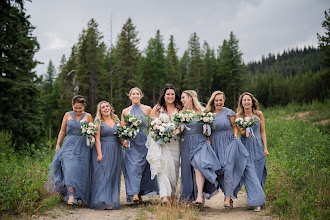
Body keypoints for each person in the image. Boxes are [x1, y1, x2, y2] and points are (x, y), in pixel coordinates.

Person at [46, 95, 92, 206]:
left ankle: (83, 197)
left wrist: (91, 140)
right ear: (72, 106)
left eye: (80, 108)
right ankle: (71, 195)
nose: (77, 110)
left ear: (83, 107)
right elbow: (62, 131)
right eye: (75, 108)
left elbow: (92, 131)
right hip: (69, 146)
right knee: (69, 169)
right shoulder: (67, 115)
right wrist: (58, 144)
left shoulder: (88, 116)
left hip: (83, 146)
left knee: (82, 171)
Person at [206, 91, 249, 209]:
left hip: (228, 143)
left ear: (224, 100)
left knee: (228, 168)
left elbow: (235, 127)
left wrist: (235, 135)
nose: (219, 102)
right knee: (219, 171)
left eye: (220, 100)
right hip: (215, 144)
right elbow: (207, 130)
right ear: (213, 102)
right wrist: (208, 139)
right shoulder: (209, 114)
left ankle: (227, 198)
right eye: (216, 100)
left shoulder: (229, 112)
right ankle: (228, 194)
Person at [179, 90, 221, 206]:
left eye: (183, 98)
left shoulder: (202, 112)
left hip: (200, 142)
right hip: (186, 143)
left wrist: (208, 138)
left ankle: (199, 195)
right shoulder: (181, 113)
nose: (181, 100)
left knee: (199, 166)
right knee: (187, 170)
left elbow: (208, 127)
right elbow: (178, 131)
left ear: (190, 98)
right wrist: (181, 124)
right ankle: (187, 197)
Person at [121, 87, 158, 204]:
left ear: (141, 96)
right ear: (130, 96)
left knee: (145, 169)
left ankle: (140, 192)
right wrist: (124, 141)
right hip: (132, 143)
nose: (135, 96)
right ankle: (134, 194)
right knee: (133, 168)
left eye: (137, 94)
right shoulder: (125, 111)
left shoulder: (147, 109)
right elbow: (123, 128)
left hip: (145, 142)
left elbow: (152, 124)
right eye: (133, 94)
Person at [146, 84, 182, 205]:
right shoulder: (157, 108)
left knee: (174, 169)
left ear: (175, 95)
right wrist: (159, 130)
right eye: (168, 94)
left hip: (175, 143)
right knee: (163, 168)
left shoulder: (179, 107)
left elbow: (183, 124)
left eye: (172, 94)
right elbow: (152, 125)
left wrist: (179, 130)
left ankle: (173, 194)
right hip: (162, 143)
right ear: (164, 95)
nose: (170, 96)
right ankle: (164, 196)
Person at [234, 92, 268, 211]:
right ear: (241, 103)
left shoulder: (259, 114)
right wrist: (246, 126)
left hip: (257, 145)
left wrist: (265, 148)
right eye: (244, 100)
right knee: (249, 173)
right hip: (245, 146)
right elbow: (242, 133)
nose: (247, 102)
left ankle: (256, 198)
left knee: (258, 173)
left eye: (248, 100)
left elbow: (262, 132)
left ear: (252, 101)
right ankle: (256, 202)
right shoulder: (238, 115)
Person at [89, 101, 123, 210]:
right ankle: (102, 200)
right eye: (103, 107)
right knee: (103, 174)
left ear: (110, 108)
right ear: (100, 110)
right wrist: (99, 153)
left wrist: (125, 142)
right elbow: (97, 139)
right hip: (103, 149)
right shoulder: (98, 122)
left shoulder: (117, 121)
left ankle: (111, 200)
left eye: (107, 106)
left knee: (113, 174)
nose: (105, 108)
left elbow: (120, 137)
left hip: (116, 150)